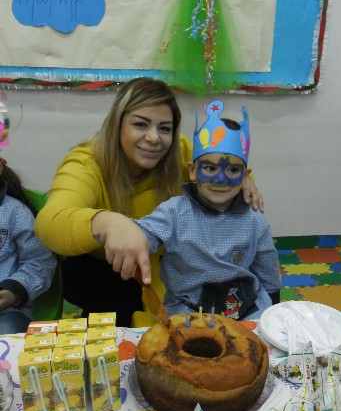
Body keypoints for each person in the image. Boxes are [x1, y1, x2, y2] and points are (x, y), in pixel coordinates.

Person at [34, 78, 264, 327]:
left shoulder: (178, 151)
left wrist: (244, 178)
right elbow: (50, 222)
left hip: (161, 262)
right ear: (117, 125)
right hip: (104, 267)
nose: (154, 137)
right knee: (121, 317)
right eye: (140, 124)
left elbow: (221, 162)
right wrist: (107, 222)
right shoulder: (86, 163)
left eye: (164, 128)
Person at [92, 99, 281, 321]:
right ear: (192, 171)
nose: (221, 179)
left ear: (244, 175)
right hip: (188, 313)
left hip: (248, 311)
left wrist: (274, 311)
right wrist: (118, 230)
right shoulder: (173, 213)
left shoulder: (255, 219)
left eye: (232, 170)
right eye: (210, 168)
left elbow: (267, 267)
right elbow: (141, 234)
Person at [0, 158, 57, 335]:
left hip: (6, 310)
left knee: (9, 335)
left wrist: (13, 291)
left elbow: (39, 262)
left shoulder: (15, 212)